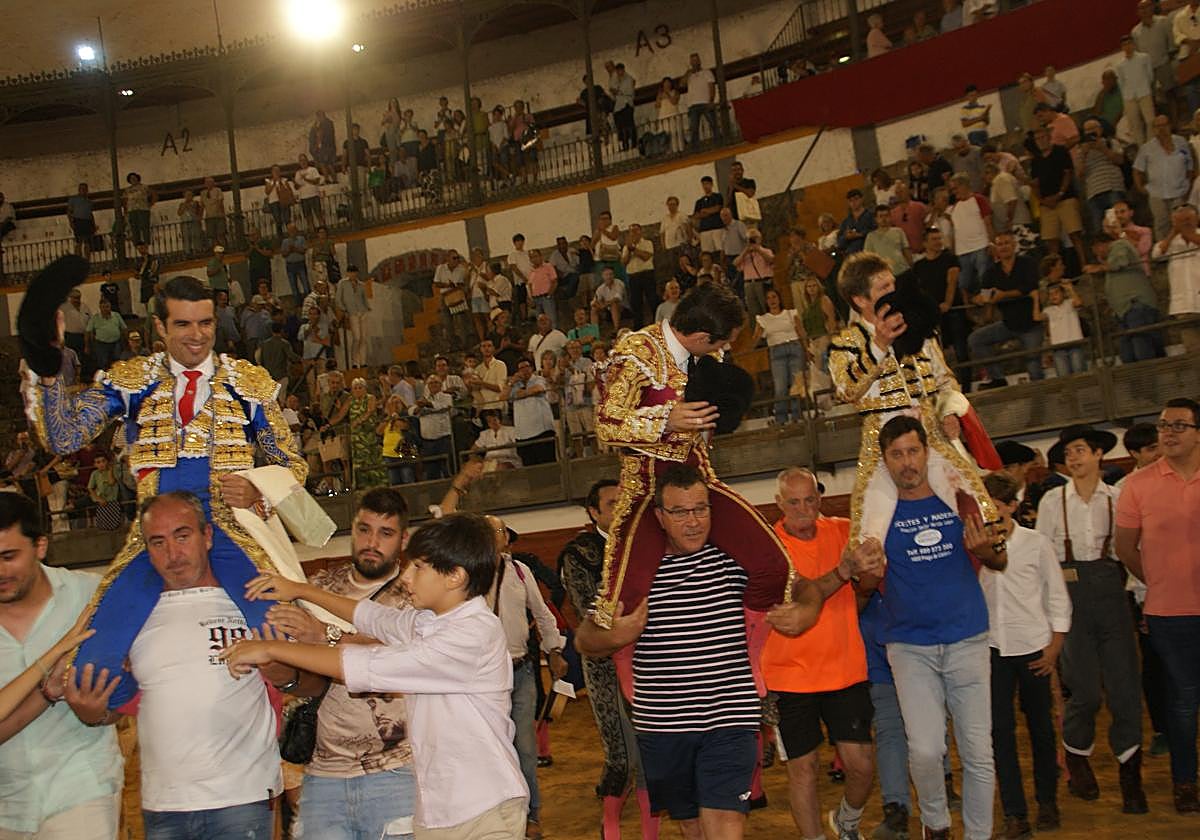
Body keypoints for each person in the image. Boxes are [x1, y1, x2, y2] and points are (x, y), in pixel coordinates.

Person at [21, 271, 307, 712]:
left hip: (232, 532)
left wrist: (258, 491)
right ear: (160, 327)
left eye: (205, 323)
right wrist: (51, 365)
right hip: (155, 536)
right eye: (183, 325)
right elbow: (63, 437)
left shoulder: (247, 383)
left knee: (289, 639)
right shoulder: (133, 380)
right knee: (91, 670)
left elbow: (292, 464)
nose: (197, 336)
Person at [219, 514, 529, 838]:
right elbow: (373, 617)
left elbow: (363, 665)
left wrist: (271, 649)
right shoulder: (432, 622)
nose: (406, 578)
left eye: (419, 567)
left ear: (454, 576)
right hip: (441, 811)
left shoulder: (471, 636)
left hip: (483, 810)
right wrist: (302, 590)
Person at [575, 465, 820, 840]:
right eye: (680, 512)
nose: (693, 522)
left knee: (725, 820)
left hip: (730, 716)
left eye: (701, 509)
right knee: (691, 825)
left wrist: (805, 611)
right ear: (659, 516)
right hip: (663, 723)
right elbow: (585, 639)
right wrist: (615, 636)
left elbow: (803, 586)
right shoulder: (635, 574)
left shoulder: (736, 560)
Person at [64, 492, 290, 839]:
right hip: (163, 805)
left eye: (182, 536)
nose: (173, 554)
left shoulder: (251, 601)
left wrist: (276, 662)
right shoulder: (131, 618)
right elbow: (127, 707)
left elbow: (295, 680)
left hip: (242, 798)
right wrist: (92, 713)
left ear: (208, 535)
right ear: (146, 548)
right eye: (158, 542)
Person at [587, 283, 804, 630]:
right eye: (722, 341)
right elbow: (606, 424)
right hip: (647, 484)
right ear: (703, 336)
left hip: (699, 476)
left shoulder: (710, 357)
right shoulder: (637, 352)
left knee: (775, 566)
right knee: (620, 604)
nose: (725, 349)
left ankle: (746, 636)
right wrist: (665, 419)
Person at [873, 415, 1008, 840]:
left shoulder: (960, 497)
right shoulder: (875, 514)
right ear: (885, 460)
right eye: (897, 454)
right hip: (909, 646)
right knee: (926, 750)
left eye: (913, 451)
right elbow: (864, 584)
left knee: (978, 753)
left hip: (967, 637)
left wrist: (987, 551)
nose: (906, 462)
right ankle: (936, 823)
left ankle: (979, 835)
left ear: (926, 452)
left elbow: (999, 560)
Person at [258, 488, 417, 839]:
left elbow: (402, 657)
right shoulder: (319, 587)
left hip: (398, 770)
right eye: (364, 529)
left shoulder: (417, 593)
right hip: (324, 773)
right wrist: (282, 674)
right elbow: (312, 684)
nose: (371, 542)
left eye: (386, 533)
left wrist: (324, 635)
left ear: (403, 539)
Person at [830, 252, 997, 547]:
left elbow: (945, 379)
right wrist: (880, 344)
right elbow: (846, 390)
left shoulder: (919, 329)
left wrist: (949, 411)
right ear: (860, 300)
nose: (894, 293)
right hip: (882, 440)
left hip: (931, 433)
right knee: (868, 531)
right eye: (883, 288)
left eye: (892, 285)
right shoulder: (846, 343)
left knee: (980, 510)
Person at [761, 468, 879, 840]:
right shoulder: (767, 546)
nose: (802, 509)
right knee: (804, 768)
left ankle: (846, 821)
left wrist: (872, 567)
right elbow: (808, 590)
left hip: (845, 670)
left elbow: (870, 584)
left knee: (861, 765)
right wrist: (845, 571)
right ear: (779, 504)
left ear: (820, 498)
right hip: (788, 676)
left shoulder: (844, 531)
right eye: (792, 502)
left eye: (809, 499)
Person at [0, 492, 124, 839]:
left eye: (8, 557)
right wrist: (48, 685)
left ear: (41, 546)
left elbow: (121, 695)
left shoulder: (89, 596)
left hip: (82, 787)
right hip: (6, 803)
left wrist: (101, 711)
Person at [1037, 425, 1147, 814]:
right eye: (1069, 454)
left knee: (1125, 690)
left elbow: (1135, 553)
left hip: (1113, 599)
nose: (1074, 458)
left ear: (1099, 454)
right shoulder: (1053, 501)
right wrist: (1050, 614)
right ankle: (1077, 758)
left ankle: (1130, 776)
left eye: (1081, 450)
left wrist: (1141, 598)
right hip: (1070, 602)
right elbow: (1043, 561)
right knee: (1083, 690)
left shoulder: (1119, 498)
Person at [558, 479, 660, 840]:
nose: (622, 508)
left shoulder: (645, 543)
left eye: (625, 502)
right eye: (613, 503)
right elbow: (590, 609)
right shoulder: (579, 553)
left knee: (652, 749)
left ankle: (650, 833)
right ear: (594, 512)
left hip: (649, 658)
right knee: (620, 751)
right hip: (604, 661)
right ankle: (612, 829)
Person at [1116, 398, 1200, 813]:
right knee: (1182, 702)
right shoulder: (1139, 484)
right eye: (1164, 425)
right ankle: (1185, 783)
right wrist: (1159, 580)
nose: (1167, 432)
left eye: (1179, 425)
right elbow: (1125, 547)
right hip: (1169, 612)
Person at [979, 471, 1072, 837]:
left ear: (1014, 506)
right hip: (991, 649)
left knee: (1041, 729)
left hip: (1034, 648)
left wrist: (1054, 648)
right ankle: (1015, 813)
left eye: (998, 508)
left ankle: (1047, 801)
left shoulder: (1036, 544)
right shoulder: (976, 547)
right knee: (999, 732)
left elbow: (1057, 597)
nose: (992, 515)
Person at [750, 288, 806, 426]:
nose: (772, 300)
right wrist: (757, 333)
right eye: (768, 298)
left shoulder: (790, 313)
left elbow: (801, 331)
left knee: (796, 385)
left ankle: (796, 416)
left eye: (774, 297)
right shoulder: (763, 319)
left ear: (779, 298)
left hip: (794, 347)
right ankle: (781, 418)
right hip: (776, 351)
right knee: (780, 386)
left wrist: (807, 349)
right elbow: (755, 340)